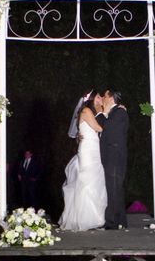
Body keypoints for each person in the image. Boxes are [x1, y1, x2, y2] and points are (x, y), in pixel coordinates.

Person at [58, 90, 107, 231]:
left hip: (93, 148)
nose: (100, 98)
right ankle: (84, 219)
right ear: (91, 99)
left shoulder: (90, 111)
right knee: (87, 181)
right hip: (88, 150)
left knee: (93, 180)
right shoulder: (86, 111)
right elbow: (98, 127)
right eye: (98, 97)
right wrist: (106, 113)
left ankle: (96, 217)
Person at [100, 89, 129, 229]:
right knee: (115, 188)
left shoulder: (120, 112)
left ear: (111, 98)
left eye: (105, 95)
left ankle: (111, 221)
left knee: (113, 187)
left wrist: (104, 113)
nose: (102, 97)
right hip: (111, 154)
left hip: (115, 155)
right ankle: (120, 220)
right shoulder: (115, 112)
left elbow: (106, 128)